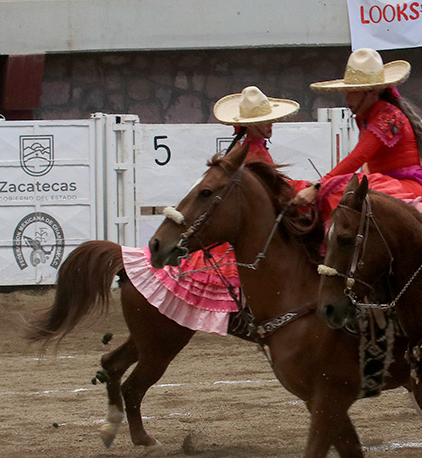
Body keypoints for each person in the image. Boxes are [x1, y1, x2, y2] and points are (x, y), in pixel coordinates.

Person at [123, 86, 301, 335]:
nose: (270, 124)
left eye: (270, 119)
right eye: (263, 120)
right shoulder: (251, 154)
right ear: (249, 125)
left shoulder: (250, 149)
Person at [297, 48, 422, 244]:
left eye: (352, 92)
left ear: (371, 92)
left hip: (403, 185)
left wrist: (320, 185)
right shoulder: (366, 115)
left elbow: (358, 157)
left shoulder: (387, 115)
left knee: (339, 193)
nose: (347, 99)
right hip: (388, 182)